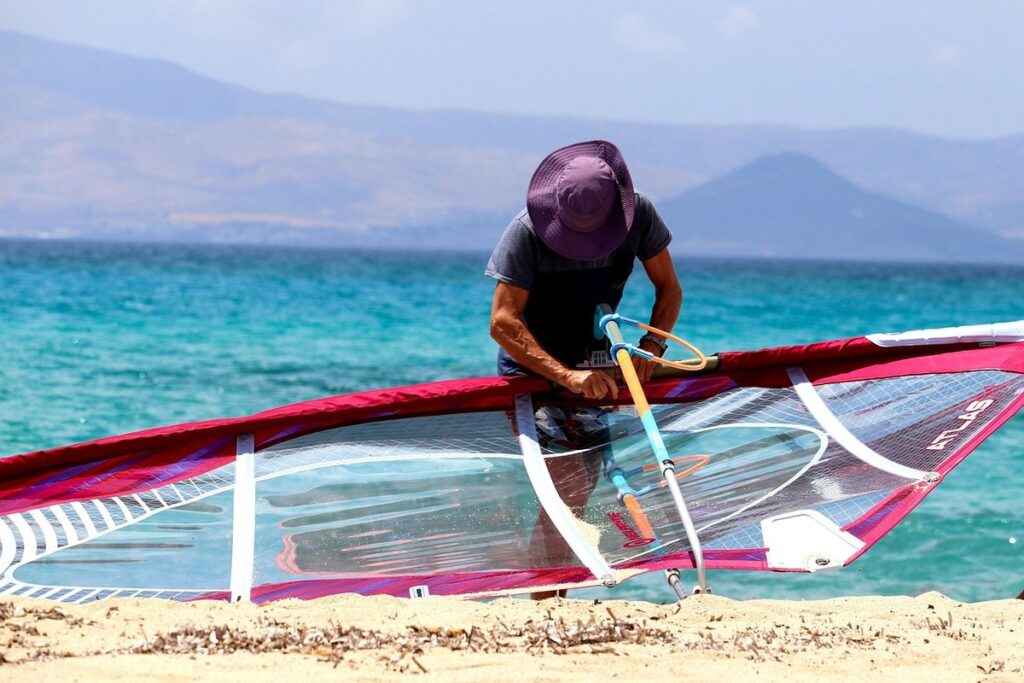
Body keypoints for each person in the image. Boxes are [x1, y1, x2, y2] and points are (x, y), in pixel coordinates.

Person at [485, 140, 683, 598]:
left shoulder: (643, 215)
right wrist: (566, 376)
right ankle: (545, 601)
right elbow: (502, 321)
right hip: (534, 373)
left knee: (583, 485)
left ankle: (552, 596)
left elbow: (669, 289)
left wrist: (649, 347)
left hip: (599, 370)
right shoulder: (524, 231)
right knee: (566, 489)